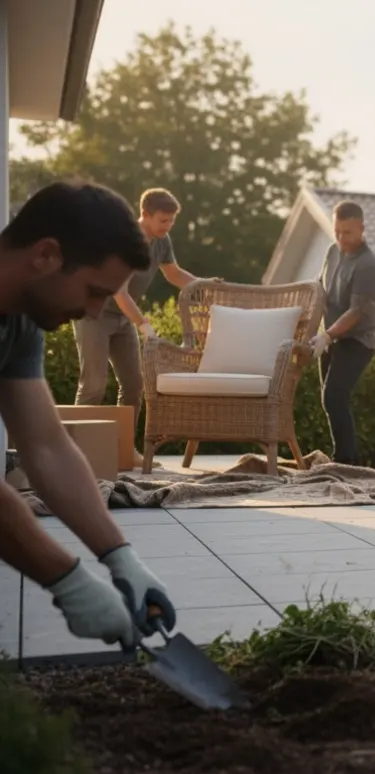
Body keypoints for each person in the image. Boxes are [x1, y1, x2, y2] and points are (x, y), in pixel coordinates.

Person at [0, 181, 177, 651]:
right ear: (46, 255)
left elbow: (46, 445)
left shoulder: (18, 317)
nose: (94, 310)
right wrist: (67, 579)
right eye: (94, 291)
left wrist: (120, 558)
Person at [72, 187, 216, 467]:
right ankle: (75, 454)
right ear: (145, 215)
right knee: (94, 385)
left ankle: (125, 450)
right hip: (95, 314)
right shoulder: (125, 241)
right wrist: (145, 326)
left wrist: (203, 285)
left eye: (172, 220)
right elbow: (119, 292)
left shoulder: (162, 241)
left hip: (123, 318)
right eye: (163, 220)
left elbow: (173, 274)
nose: (168, 225)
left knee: (133, 384)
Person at [309, 200, 375, 466]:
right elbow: (319, 290)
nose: (341, 238)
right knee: (328, 400)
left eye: (348, 233)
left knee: (334, 396)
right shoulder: (332, 251)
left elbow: (356, 312)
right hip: (330, 337)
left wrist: (327, 335)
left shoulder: (369, 265)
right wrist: (307, 325)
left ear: (362, 228)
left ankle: (346, 463)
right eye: (337, 231)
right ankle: (345, 459)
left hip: (357, 341)